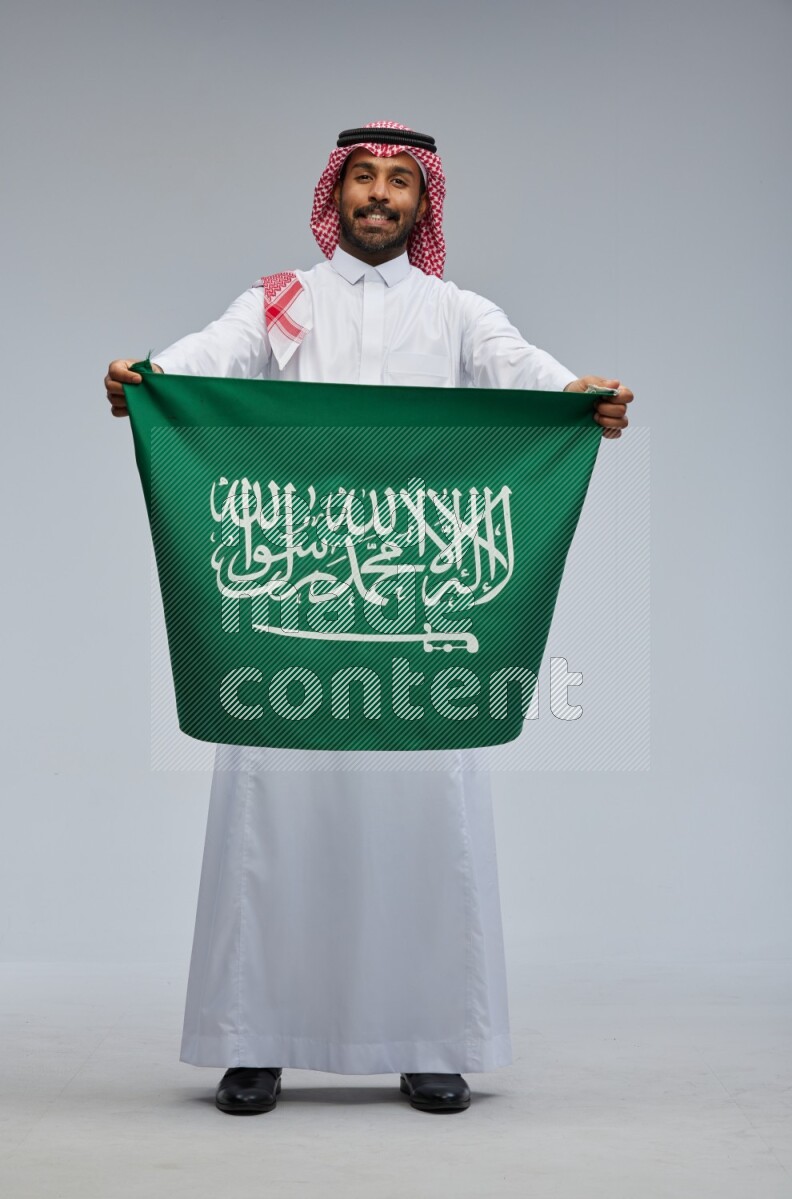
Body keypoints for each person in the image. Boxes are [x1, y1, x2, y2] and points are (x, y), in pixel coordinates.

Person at [105, 121, 633, 1116]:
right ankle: (253, 1040)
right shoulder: (283, 303)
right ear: (334, 196)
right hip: (294, 605)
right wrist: (150, 381)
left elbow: (523, 370)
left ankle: (432, 1040)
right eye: (362, 179)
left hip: (416, 605)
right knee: (275, 815)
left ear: (422, 204)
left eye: (398, 182)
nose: (379, 196)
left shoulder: (455, 310)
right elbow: (207, 361)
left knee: (425, 819)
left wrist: (579, 397)